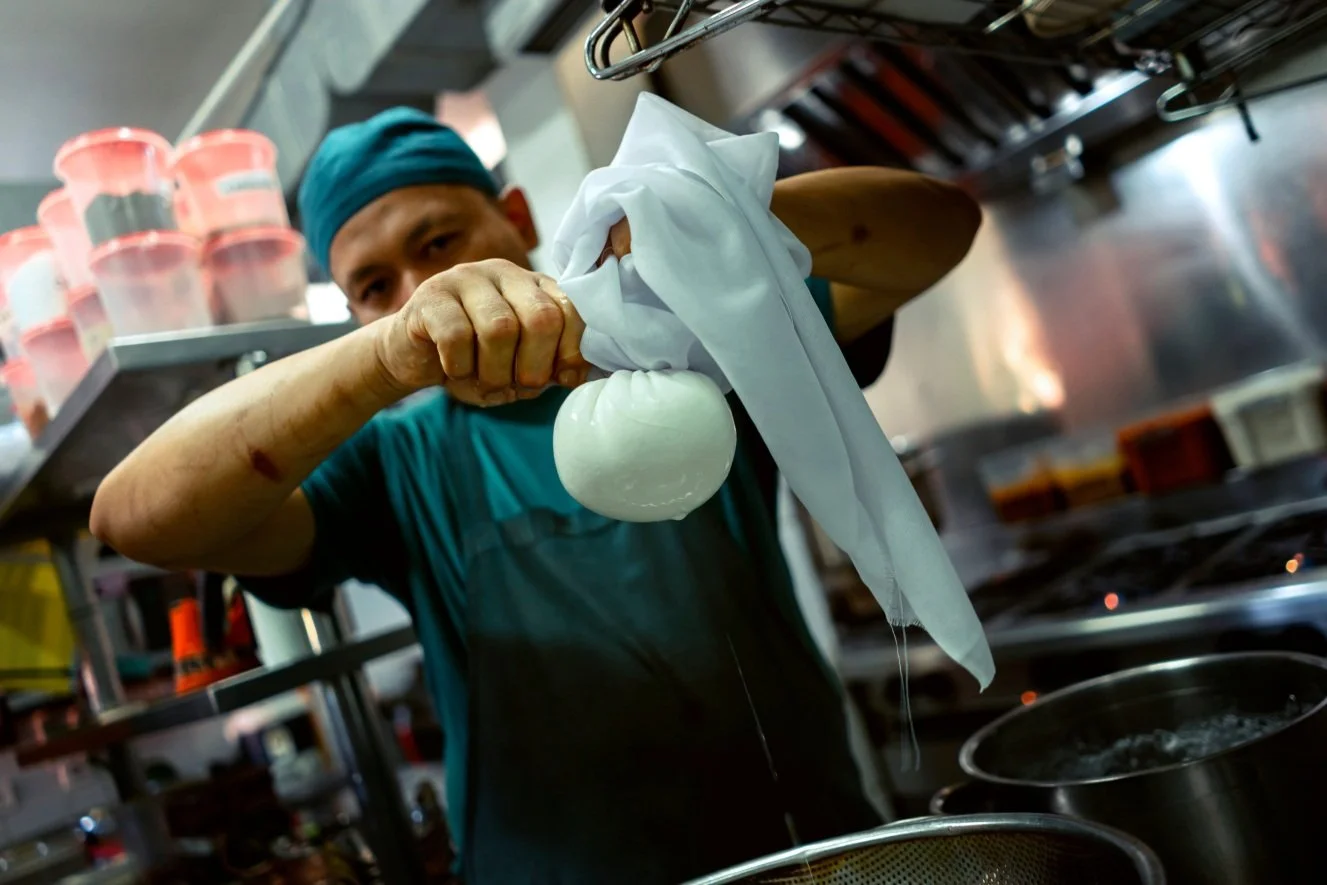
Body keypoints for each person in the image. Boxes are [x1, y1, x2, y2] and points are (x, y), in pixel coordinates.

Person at [91, 107, 981, 883]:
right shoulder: (395, 464)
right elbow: (135, 516)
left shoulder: (688, 350)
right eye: (375, 287)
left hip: (806, 856)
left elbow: (938, 229)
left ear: (515, 216)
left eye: (437, 243)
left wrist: (711, 225)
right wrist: (390, 351)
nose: (422, 291)